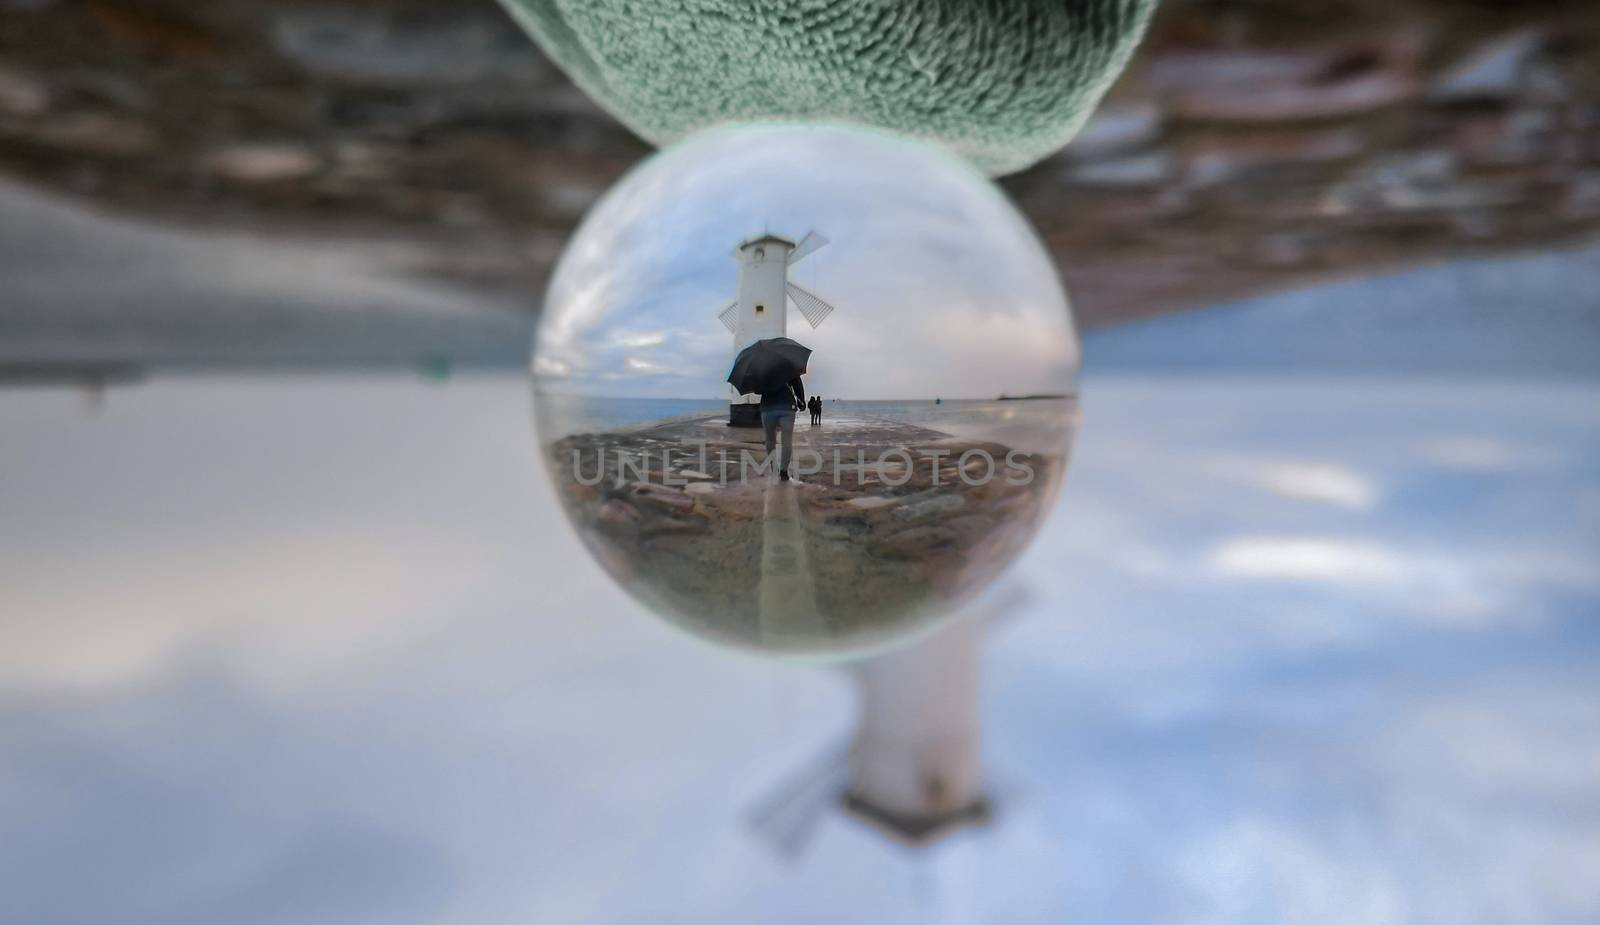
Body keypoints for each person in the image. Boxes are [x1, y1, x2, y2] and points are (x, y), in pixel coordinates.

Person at [760, 374, 806, 482]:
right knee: (787, 441)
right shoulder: (788, 365)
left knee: (770, 440)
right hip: (787, 406)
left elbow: (757, 390)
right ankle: (784, 471)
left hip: (768, 407)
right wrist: (801, 401)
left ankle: (773, 467)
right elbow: (797, 384)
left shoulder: (762, 368)